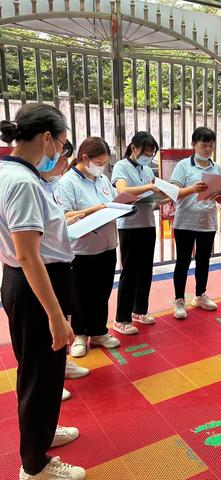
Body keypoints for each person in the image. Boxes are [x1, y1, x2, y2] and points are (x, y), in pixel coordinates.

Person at [0, 103, 85, 479]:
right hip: (36, 284)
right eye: (63, 144)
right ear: (48, 138)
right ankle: (35, 465)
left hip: (35, 281)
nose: (62, 153)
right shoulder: (22, 182)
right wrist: (54, 315)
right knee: (38, 373)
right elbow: (28, 255)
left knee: (45, 371)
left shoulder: (16, 172)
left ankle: (44, 434)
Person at [55, 137, 121, 357]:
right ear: (85, 158)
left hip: (107, 247)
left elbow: (113, 202)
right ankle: (80, 335)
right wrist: (96, 210)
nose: (102, 167)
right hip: (81, 251)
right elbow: (65, 216)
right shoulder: (68, 182)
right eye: (100, 162)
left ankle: (99, 331)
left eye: (104, 163)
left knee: (102, 293)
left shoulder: (101, 179)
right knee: (80, 295)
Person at [38, 139, 90, 394]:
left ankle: (60, 365)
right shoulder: (26, 182)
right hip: (39, 267)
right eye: (62, 158)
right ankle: (49, 380)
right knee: (44, 329)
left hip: (60, 262)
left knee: (62, 316)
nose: (65, 165)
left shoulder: (52, 183)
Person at [170, 127, 221, 320]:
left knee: (203, 260)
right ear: (194, 145)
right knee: (183, 261)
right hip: (185, 221)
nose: (208, 148)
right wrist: (192, 189)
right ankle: (179, 299)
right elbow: (174, 192)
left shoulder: (216, 168)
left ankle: (200, 295)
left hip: (207, 221)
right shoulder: (184, 166)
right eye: (204, 144)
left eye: (211, 145)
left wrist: (219, 196)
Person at [111, 132, 162, 334]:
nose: (149, 154)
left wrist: (166, 195)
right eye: (146, 150)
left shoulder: (147, 169)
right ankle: (121, 318)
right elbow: (123, 191)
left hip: (147, 223)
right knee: (129, 272)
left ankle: (139, 310)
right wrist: (150, 187)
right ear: (133, 148)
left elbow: (152, 196)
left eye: (152, 151)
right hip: (129, 226)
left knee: (145, 270)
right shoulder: (121, 166)